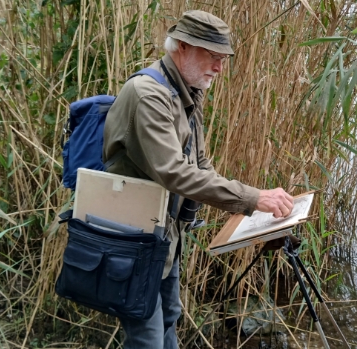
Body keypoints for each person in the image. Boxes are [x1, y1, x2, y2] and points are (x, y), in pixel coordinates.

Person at [102, 10, 294, 349]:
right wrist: (251, 197)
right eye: (213, 57)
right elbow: (175, 172)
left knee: (169, 318)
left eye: (223, 58)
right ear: (184, 47)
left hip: (165, 238)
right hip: (134, 240)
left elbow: (201, 167)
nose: (220, 67)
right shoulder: (149, 95)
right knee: (146, 338)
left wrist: (251, 209)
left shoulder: (187, 91)